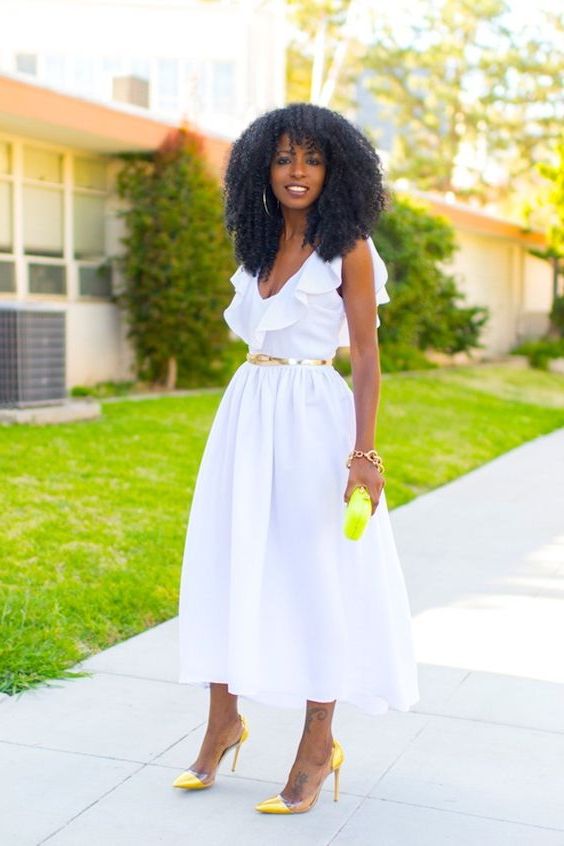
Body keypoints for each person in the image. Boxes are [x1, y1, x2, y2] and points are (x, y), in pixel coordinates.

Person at [174, 102, 419, 815]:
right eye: (284, 158)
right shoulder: (255, 248)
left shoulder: (351, 248)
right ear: (263, 167)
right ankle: (224, 721)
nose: (298, 171)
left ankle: (319, 743)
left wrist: (365, 453)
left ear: (334, 168)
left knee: (317, 575)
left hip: (314, 415)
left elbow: (368, 358)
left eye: (312, 158)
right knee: (230, 559)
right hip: (247, 412)